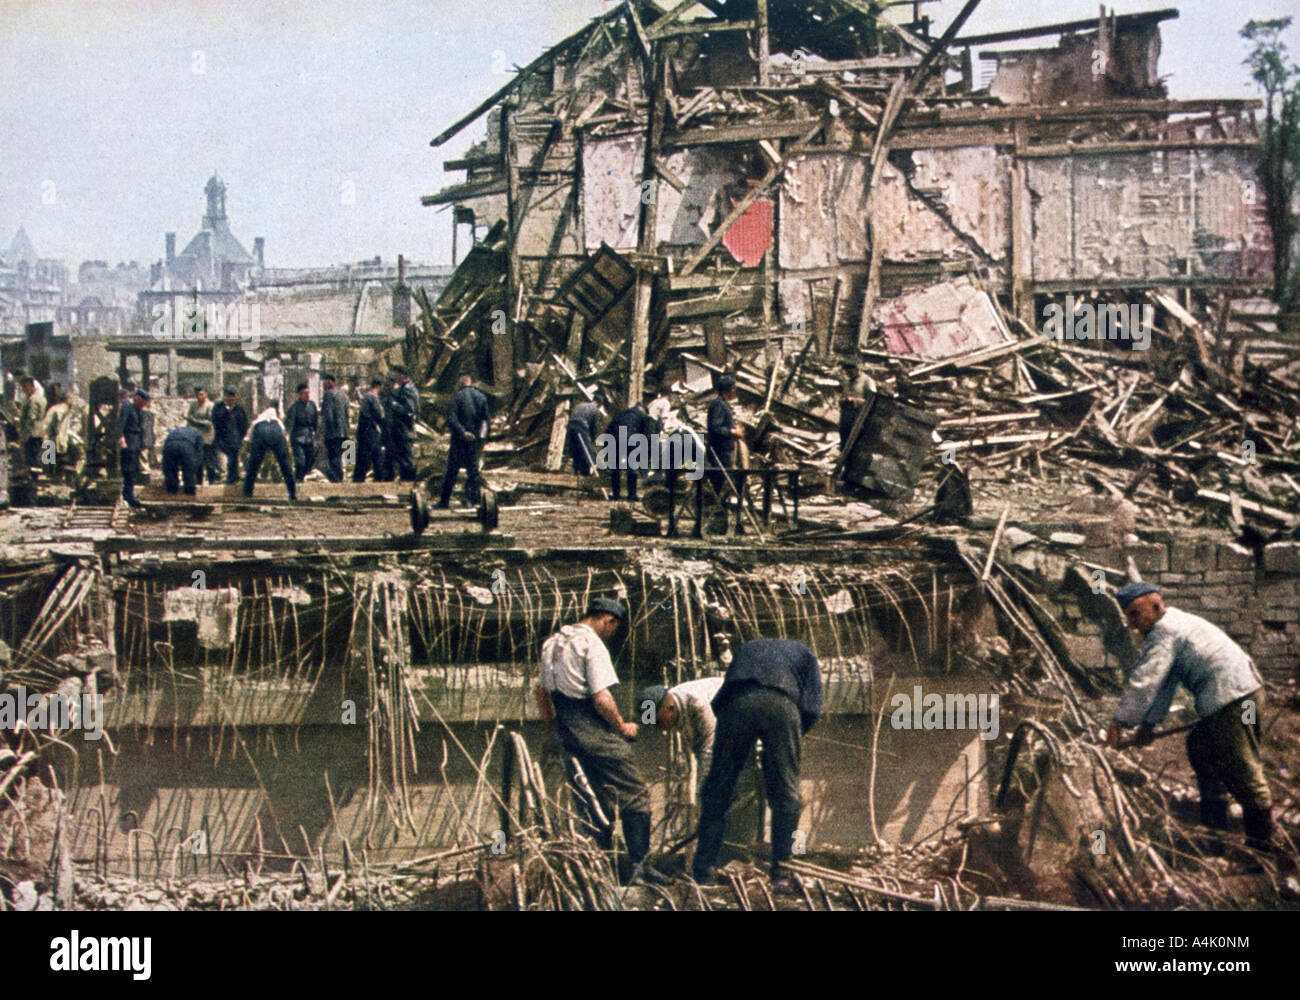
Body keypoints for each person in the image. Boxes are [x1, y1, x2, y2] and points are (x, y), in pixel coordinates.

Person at [1105, 582, 1273, 851]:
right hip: (1245, 695)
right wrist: (1148, 725)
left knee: (1244, 766)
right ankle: (1216, 835)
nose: (1133, 624)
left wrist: (1119, 723)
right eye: (1129, 617)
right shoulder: (1175, 624)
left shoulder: (1164, 632)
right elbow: (1165, 684)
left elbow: (1145, 682)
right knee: (1201, 747)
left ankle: (1262, 852)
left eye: (1136, 614)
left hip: (1235, 701)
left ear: (1156, 605)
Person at [535, 598, 668, 885]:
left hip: (567, 733)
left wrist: (553, 727)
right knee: (636, 797)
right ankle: (638, 869)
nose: (610, 634)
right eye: (612, 628)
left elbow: (541, 692)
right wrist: (622, 726)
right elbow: (601, 698)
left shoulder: (552, 643)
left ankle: (598, 869)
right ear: (608, 620)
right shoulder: (591, 644)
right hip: (593, 730)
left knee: (594, 802)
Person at [692, 638, 823, 888]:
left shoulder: (747, 648)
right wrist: (790, 736)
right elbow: (812, 708)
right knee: (786, 794)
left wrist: (738, 740)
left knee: (718, 788)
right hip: (781, 705)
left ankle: (703, 871)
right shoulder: (806, 654)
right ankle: (781, 874)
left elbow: (721, 698)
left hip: (736, 705)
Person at [639, 676, 725, 794]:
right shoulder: (675, 704)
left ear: (668, 708)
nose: (659, 729)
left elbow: (710, 749)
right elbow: (698, 749)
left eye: (658, 722)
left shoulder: (697, 704)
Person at [436, 374, 489, 509]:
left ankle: (444, 501)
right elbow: (486, 421)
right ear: (470, 381)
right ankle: (472, 501)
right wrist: (480, 438)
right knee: (473, 472)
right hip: (474, 441)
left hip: (459, 440)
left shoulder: (455, 397)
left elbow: (451, 419)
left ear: (461, 381)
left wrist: (463, 432)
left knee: (451, 472)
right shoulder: (481, 397)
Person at [604, 400, 659, 502]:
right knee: (632, 468)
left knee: (615, 468)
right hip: (630, 440)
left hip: (614, 439)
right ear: (643, 410)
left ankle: (616, 495)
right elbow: (647, 434)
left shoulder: (621, 414)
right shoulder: (643, 416)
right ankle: (632, 495)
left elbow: (608, 429)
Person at [242, 403, 296, 500]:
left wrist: (245, 452)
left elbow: (247, 439)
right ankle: (292, 494)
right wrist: (288, 452)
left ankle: (247, 493)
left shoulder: (256, 422)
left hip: (261, 433)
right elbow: (284, 436)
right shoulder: (278, 421)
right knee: (285, 465)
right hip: (276, 433)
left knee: (253, 466)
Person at [705, 374, 743, 496]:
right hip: (720, 451)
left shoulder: (723, 404)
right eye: (734, 388)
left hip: (724, 450)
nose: (735, 391)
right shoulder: (718, 405)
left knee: (725, 481)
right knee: (723, 481)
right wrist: (732, 432)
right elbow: (715, 428)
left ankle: (719, 507)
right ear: (730, 389)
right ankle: (717, 508)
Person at [116, 388, 148, 508]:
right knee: (128, 470)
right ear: (137, 398)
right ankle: (127, 496)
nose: (143, 406)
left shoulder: (137, 409)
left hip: (135, 444)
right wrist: (121, 438)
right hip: (128, 443)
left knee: (133, 470)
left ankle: (129, 495)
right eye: (142, 403)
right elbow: (121, 424)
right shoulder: (127, 407)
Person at [388, 365, 419, 482]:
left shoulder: (408, 390)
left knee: (407, 460)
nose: (395, 377)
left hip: (405, 431)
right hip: (401, 431)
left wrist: (395, 406)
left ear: (403, 376)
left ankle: (409, 484)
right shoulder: (403, 388)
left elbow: (409, 410)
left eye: (397, 374)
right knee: (401, 460)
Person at [212, 387, 248, 485]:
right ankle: (220, 476)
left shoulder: (239, 409)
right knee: (220, 459)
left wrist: (240, 436)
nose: (230, 399)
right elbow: (215, 422)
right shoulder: (218, 408)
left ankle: (232, 479)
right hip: (221, 438)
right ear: (225, 397)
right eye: (228, 396)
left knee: (233, 459)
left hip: (235, 439)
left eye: (233, 397)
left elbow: (244, 424)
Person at [352, 378, 386, 483]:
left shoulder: (367, 397)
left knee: (364, 457)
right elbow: (379, 415)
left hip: (364, 431)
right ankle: (378, 479)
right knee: (374, 456)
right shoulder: (373, 397)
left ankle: (359, 479)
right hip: (370, 431)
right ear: (379, 386)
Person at [185, 387, 220, 484]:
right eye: (197, 395)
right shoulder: (193, 405)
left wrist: (195, 421)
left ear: (205, 394)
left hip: (208, 438)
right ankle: (198, 481)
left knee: (209, 461)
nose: (199, 397)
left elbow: (209, 422)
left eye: (201, 394)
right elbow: (189, 418)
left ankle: (211, 481)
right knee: (198, 461)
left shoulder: (210, 406)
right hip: (196, 437)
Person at [285, 382, 319, 483]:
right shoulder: (294, 408)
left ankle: (300, 478)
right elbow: (289, 423)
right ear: (300, 394)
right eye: (305, 393)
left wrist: (316, 436)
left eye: (308, 393)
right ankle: (297, 480)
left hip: (309, 437)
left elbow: (316, 422)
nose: (307, 395)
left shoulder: (312, 405)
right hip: (298, 438)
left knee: (309, 461)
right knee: (300, 461)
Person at [319, 373, 350, 483]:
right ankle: (339, 477)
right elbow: (347, 414)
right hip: (343, 431)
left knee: (333, 457)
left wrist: (324, 432)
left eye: (325, 381)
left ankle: (337, 480)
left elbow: (328, 414)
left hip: (332, 432)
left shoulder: (328, 394)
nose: (324, 384)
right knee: (339, 456)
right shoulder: (343, 395)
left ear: (331, 381)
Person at [566, 392, 604, 477]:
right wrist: (592, 439)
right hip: (581, 427)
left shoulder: (580, 405)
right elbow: (593, 428)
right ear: (599, 404)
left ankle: (575, 472)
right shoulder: (595, 410)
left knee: (575, 449)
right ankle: (591, 472)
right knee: (587, 451)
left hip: (571, 426)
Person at [838, 360, 872, 451]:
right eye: (846, 372)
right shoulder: (848, 382)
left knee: (855, 444)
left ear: (857, 369)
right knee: (844, 440)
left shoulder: (867, 381)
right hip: (846, 416)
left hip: (858, 417)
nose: (848, 374)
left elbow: (872, 401)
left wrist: (855, 400)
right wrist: (842, 401)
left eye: (850, 372)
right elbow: (842, 397)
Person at [161, 425, 204, 495]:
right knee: (189, 469)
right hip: (186, 446)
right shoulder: (197, 434)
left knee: (170, 469)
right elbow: (199, 458)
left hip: (170, 445)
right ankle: (189, 491)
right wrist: (199, 480)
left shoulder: (174, 431)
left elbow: (165, 449)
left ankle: (171, 490)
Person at [17, 375, 46, 472]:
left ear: (29, 386)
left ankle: (34, 480)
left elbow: (31, 418)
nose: (23, 390)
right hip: (40, 431)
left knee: (32, 459)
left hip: (32, 433)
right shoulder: (41, 398)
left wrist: (24, 434)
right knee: (37, 456)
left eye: (23, 387)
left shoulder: (32, 400)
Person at [378, 374, 398, 481]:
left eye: (389, 382)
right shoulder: (384, 394)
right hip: (385, 427)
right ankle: (386, 474)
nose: (387, 384)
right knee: (385, 453)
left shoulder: (397, 394)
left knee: (391, 453)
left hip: (394, 429)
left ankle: (390, 474)